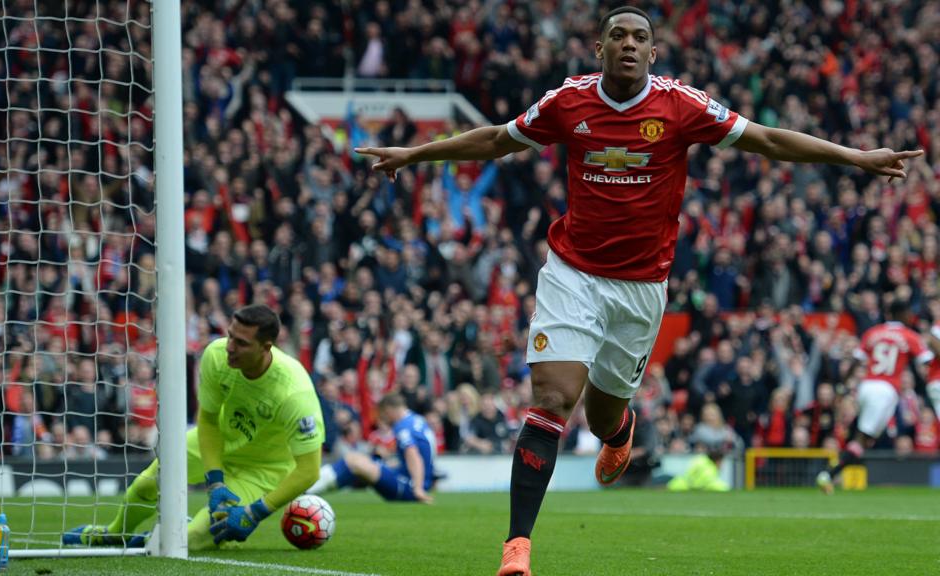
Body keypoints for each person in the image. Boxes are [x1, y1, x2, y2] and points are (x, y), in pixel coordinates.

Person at [355, 6, 923, 575]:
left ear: (654, 53)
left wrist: (855, 157)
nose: (628, 44)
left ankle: (620, 431)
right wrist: (415, 153)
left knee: (603, 417)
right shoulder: (567, 101)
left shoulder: (681, 105)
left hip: (641, 288)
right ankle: (517, 547)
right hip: (572, 272)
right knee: (552, 400)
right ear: (599, 49)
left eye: (640, 38)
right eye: (617, 36)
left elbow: (769, 140)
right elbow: (496, 142)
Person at [63, 304, 324, 550]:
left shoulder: (294, 393)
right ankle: (115, 533)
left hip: (262, 469)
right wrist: (215, 481)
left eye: (241, 343)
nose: (230, 347)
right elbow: (208, 419)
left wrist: (255, 512)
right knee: (145, 485)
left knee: (191, 538)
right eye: (230, 336)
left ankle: (149, 541)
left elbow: (310, 470)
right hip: (217, 440)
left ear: (266, 347)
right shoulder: (216, 356)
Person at [816, 300, 931, 494]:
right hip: (885, 391)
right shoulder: (910, 336)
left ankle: (833, 472)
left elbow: (855, 360)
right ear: (903, 314)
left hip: (866, 386)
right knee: (863, 438)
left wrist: (842, 385)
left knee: (865, 438)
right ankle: (828, 474)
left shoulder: (873, 332)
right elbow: (927, 360)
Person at [308, 393, 435, 503]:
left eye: (384, 414)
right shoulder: (417, 420)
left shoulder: (402, 427)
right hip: (411, 480)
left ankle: (306, 489)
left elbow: (412, 454)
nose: (385, 419)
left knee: (353, 461)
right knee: (358, 461)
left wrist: (418, 489)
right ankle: (310, 490)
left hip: (409, 486)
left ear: (389, 409)